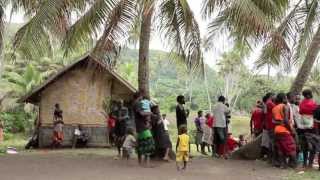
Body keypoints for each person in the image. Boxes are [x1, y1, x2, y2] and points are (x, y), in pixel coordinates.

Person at [272, 93, 297, 169]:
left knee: (280, 148)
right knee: (291, 147)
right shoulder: (284, 106)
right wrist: (291, 129)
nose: (287, 99)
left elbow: (273, 121)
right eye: (286, 98)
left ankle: (283, 164)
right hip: (284, 130)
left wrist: (279, 122)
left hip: (276, 130)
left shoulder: (274, 108)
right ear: (283, 99)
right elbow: (286, 120)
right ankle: (294, 165)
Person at [133, 91, 155, 167]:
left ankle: (140, 163)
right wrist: (150, 113)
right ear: (140, 96)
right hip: (142, 126)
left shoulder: (135, 103)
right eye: (141, 96)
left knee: (141, 143)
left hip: (138, 126)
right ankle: (146, 163)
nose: (142, 98)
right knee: (149, 142)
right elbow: (141, 113)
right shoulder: (138, 103)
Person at [298, 89, 317, 168]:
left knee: (304, 145)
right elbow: (315, 113)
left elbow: (300, 112)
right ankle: (310, 163)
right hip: (312, 126)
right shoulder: (312, 103)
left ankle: (304, 163)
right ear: (308, 95)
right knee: (313, 144)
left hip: (302, 126)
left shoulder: (301, 103)